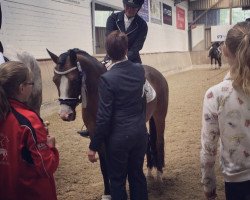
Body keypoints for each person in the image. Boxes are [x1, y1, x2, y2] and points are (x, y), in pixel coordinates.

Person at [88, 30, 148, 200]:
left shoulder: (107, 79)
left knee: (117, 181)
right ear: (126, 49)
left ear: (107, 51)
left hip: (118, 139)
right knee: (137, 176)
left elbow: (104, 117)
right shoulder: (139, 70)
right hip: (139, 134)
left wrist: (94, 146)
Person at [79, 0, 148, 138]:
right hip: (112, 56)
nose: (129, 9)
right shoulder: (112, 18)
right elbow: (109, 39)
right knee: (95, 83)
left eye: (133, 7)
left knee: (145, 88)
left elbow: (137, 47)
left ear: (139, 8)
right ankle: (93, 121)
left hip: (132, 59)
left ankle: (140, 116)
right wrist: (116, 58)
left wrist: (125, 59)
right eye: (127, 5)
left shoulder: (142, 25)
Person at [200, 21, 250, 200]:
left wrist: (208, 183)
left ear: (226, 51)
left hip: (237, 181)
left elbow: (208, 149)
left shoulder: (215, 95)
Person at [0, 61, 59, 200]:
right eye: (31, 83)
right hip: (31, 192)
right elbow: (46, 167)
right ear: (21, 88)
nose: (32, 87)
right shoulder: (28, 120)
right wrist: (52, 147)